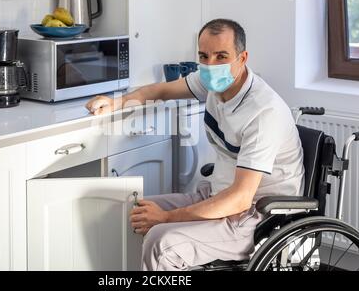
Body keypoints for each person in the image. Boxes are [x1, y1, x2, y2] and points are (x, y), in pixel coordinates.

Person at [85, 19, 304, 271]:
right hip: (217, 196)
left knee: (161, 242)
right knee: (132, 212)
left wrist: (166, 218)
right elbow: (160, 91)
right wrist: (117, 102)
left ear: (242, 58)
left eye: (222, 56)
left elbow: (241, 199)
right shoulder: (213, 81)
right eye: (204, 56)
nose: (211, 65)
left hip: (257, 217)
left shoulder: (264, 112)